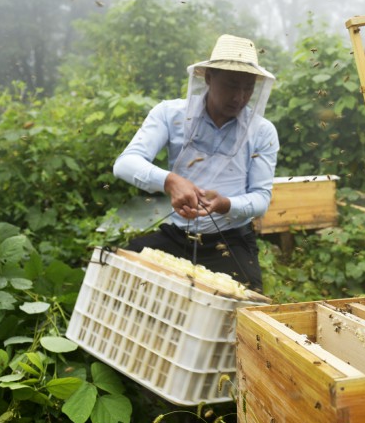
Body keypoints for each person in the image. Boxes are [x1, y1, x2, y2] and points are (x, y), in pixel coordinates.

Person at [113, 34, 278, 292]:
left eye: (248, 88)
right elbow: (125, 164)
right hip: (177, 235)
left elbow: (261, 199)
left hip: (231, 239)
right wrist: (171, 181)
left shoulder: (263, 131)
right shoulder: (170, 114)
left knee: (245, 309)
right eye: (232, 85)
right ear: (209, 78)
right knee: (118, 276)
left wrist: (226, 204)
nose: (240, 96)